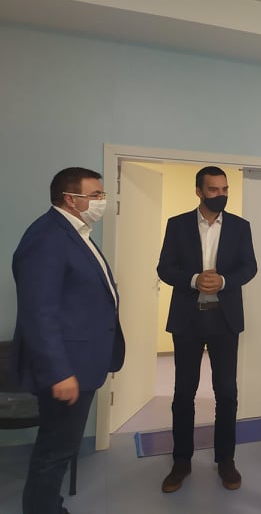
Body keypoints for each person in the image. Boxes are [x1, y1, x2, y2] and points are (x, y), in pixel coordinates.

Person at [12, 167, 126, 514]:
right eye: (95, 195)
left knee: (60, 449)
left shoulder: (77, 233)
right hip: (66, 367)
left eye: (102, 194)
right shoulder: (47, 237)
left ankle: (49, 505)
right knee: (54, 451)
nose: (102, 201)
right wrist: (59, 372)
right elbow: (38, 313)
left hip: (82, 361)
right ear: (70, 199)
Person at [157, 166, 257, 493]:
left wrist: (224, 281)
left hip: (224, 319)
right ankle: (181, 461)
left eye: (224, 189)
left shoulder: (240, 227)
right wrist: (193, 280)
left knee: (226, 393)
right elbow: (164, 268)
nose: (220, 195)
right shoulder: (177, 225)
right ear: (199, 191)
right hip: (188, 319)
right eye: (213, 190)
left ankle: (225, 460)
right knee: (183, 393)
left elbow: (249, 267)